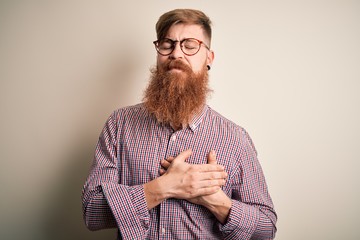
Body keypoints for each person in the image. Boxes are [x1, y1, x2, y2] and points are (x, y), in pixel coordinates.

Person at [82, 9, 277, 239]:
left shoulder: (235, 138)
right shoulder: (119, 124)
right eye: (167, 44)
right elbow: (92, 212)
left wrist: (216, 201)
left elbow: (266, 229)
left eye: (190, 45)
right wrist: (164, 187)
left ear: (209, 58)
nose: (176, 53)